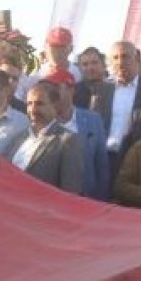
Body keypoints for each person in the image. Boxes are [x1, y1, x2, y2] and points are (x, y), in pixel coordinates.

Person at [87, 40, 141, 182]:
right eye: (115, 57)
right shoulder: (100, 90)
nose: (120, 62)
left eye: (125, 56)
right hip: (103, 157)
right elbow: (92, 125)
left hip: (134, 160)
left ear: (136, 59)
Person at [44, 69, 110, 200]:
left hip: (87, 200)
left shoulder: (92, 120)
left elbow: (101, 164)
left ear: (71, 90)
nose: (50, 93)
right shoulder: (41, 120)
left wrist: (101, 201)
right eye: (47, 89)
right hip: (50, 199)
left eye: (56, 88)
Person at [12, 81, 86, 194]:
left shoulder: (68, 141)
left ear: (55, 106)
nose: (32, 110)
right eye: (29, 104)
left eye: (39, 104)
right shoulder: (19, 137)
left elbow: (70, 191)